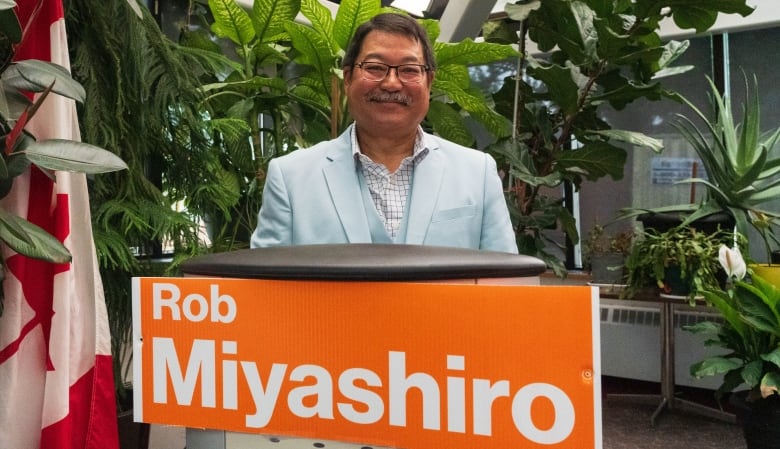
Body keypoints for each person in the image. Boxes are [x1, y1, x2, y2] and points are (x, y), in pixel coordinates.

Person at [250, 12, 518, 254]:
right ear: (347, 78)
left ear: (429, 82)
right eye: (375, 68)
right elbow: (264, 289)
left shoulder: (477, 173)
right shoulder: (290, 178)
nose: (391, 83)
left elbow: (507, 284)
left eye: (409, 70)